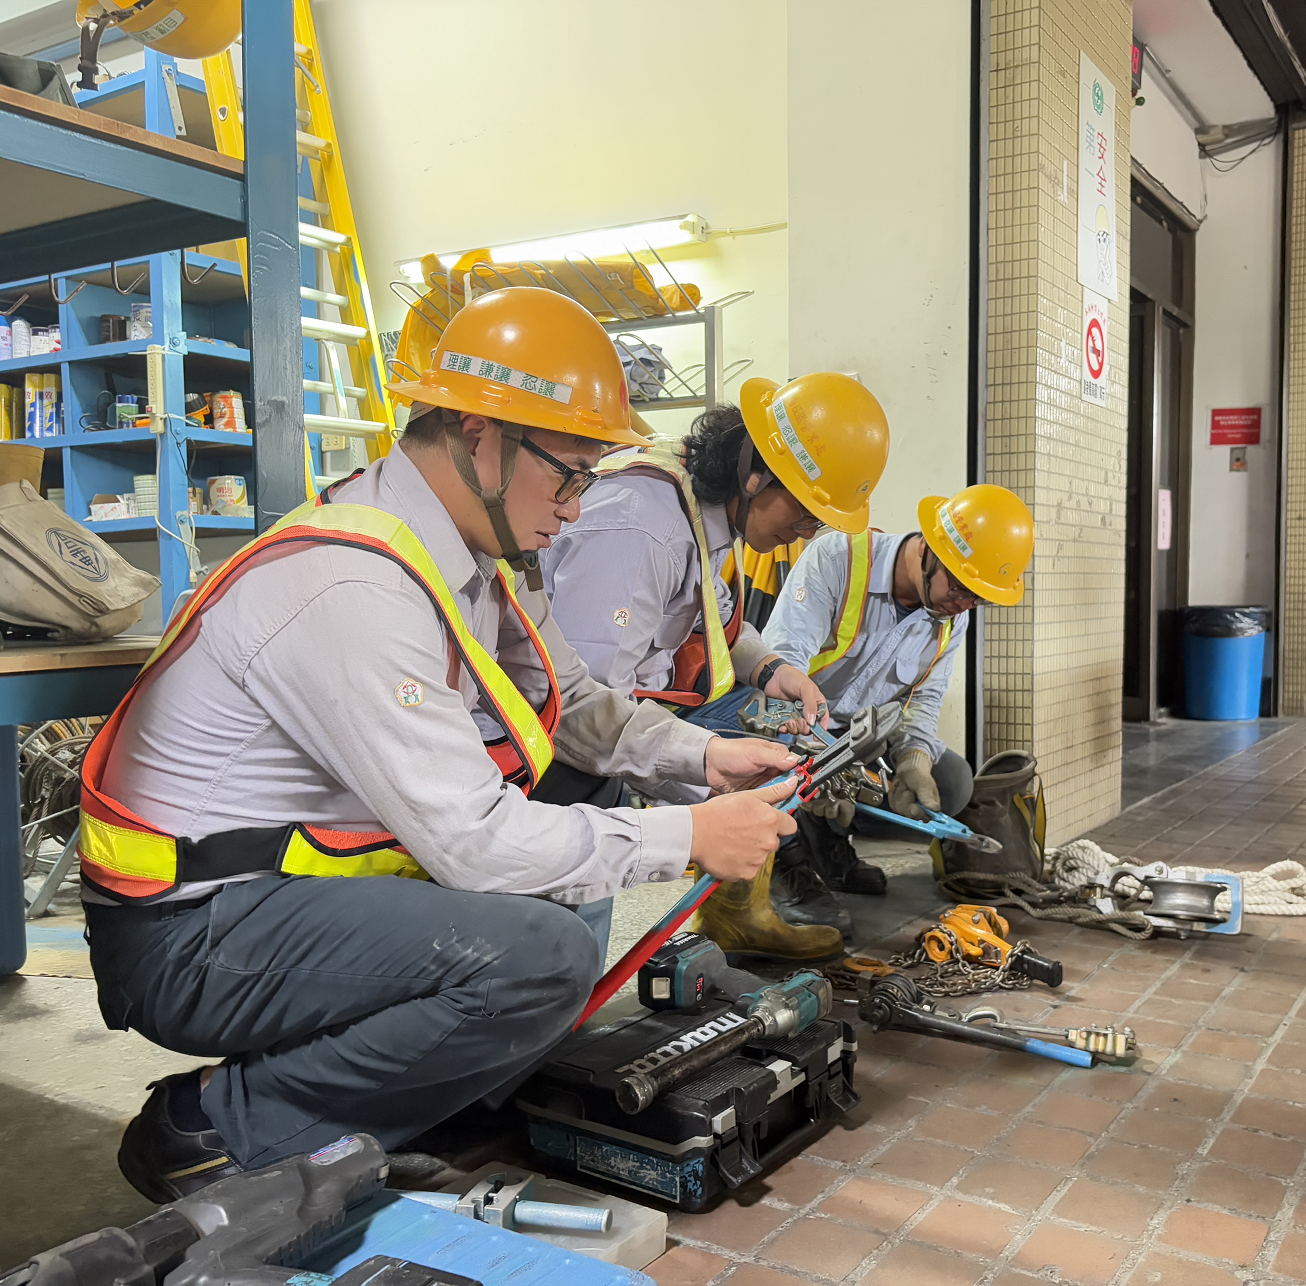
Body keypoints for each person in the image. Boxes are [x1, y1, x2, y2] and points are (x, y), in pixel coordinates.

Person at [79, 288, 801, 1202]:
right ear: (481, 435)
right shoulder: (353, 587)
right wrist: (687, 839)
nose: (578, 507)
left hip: (267, 892)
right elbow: (472, 840)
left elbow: (567, 695)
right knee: (541, 955)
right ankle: (217, 1132)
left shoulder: (468, 557)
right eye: (570, 472)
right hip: (188, 934)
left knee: (561, 903)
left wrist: (699, 761)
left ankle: (396, 1107)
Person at [541, 377, 892, 962]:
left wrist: (772, 668)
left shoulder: (708, 510)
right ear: (754, 473)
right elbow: (580, 714)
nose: (806, 532)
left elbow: (718, 619)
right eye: (804, 511)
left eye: (819, 522)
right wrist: (698, 792)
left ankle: (737, 911)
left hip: (625, 710)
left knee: (783, 735)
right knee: (565, 957)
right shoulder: (643, 530)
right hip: (561, 749)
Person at [758, 484, 1035, 935]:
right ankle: (788, 867)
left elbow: (923, 700)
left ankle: (827, 841)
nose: (964, 604)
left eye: (978, 598)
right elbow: (780, 669)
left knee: (951, 783)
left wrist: (914, 763)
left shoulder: (951, 617)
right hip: (789, 724)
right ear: (928, 548)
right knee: (763, 736)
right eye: (962, 587)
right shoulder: (839, 560)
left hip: (858, 738)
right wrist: (816, 759)